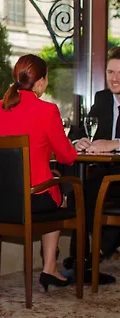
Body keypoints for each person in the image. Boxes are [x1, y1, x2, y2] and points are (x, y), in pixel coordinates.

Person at [0, 54, 77, 291]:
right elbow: (68, 157)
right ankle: (50, 268)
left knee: (53, 184)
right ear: (41, 81)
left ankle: (50, 268)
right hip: (31, 198)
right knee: (60, 191)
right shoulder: (47, 110)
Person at [66, 46, 120, 282]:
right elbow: (82, 130)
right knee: (79, 192)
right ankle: (81, 259)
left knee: (99, 193)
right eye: (110, 72)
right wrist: (79, 141)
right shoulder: (102, 98)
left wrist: (115, 143)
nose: (114, 78)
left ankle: (94, 255)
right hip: (105, 173)